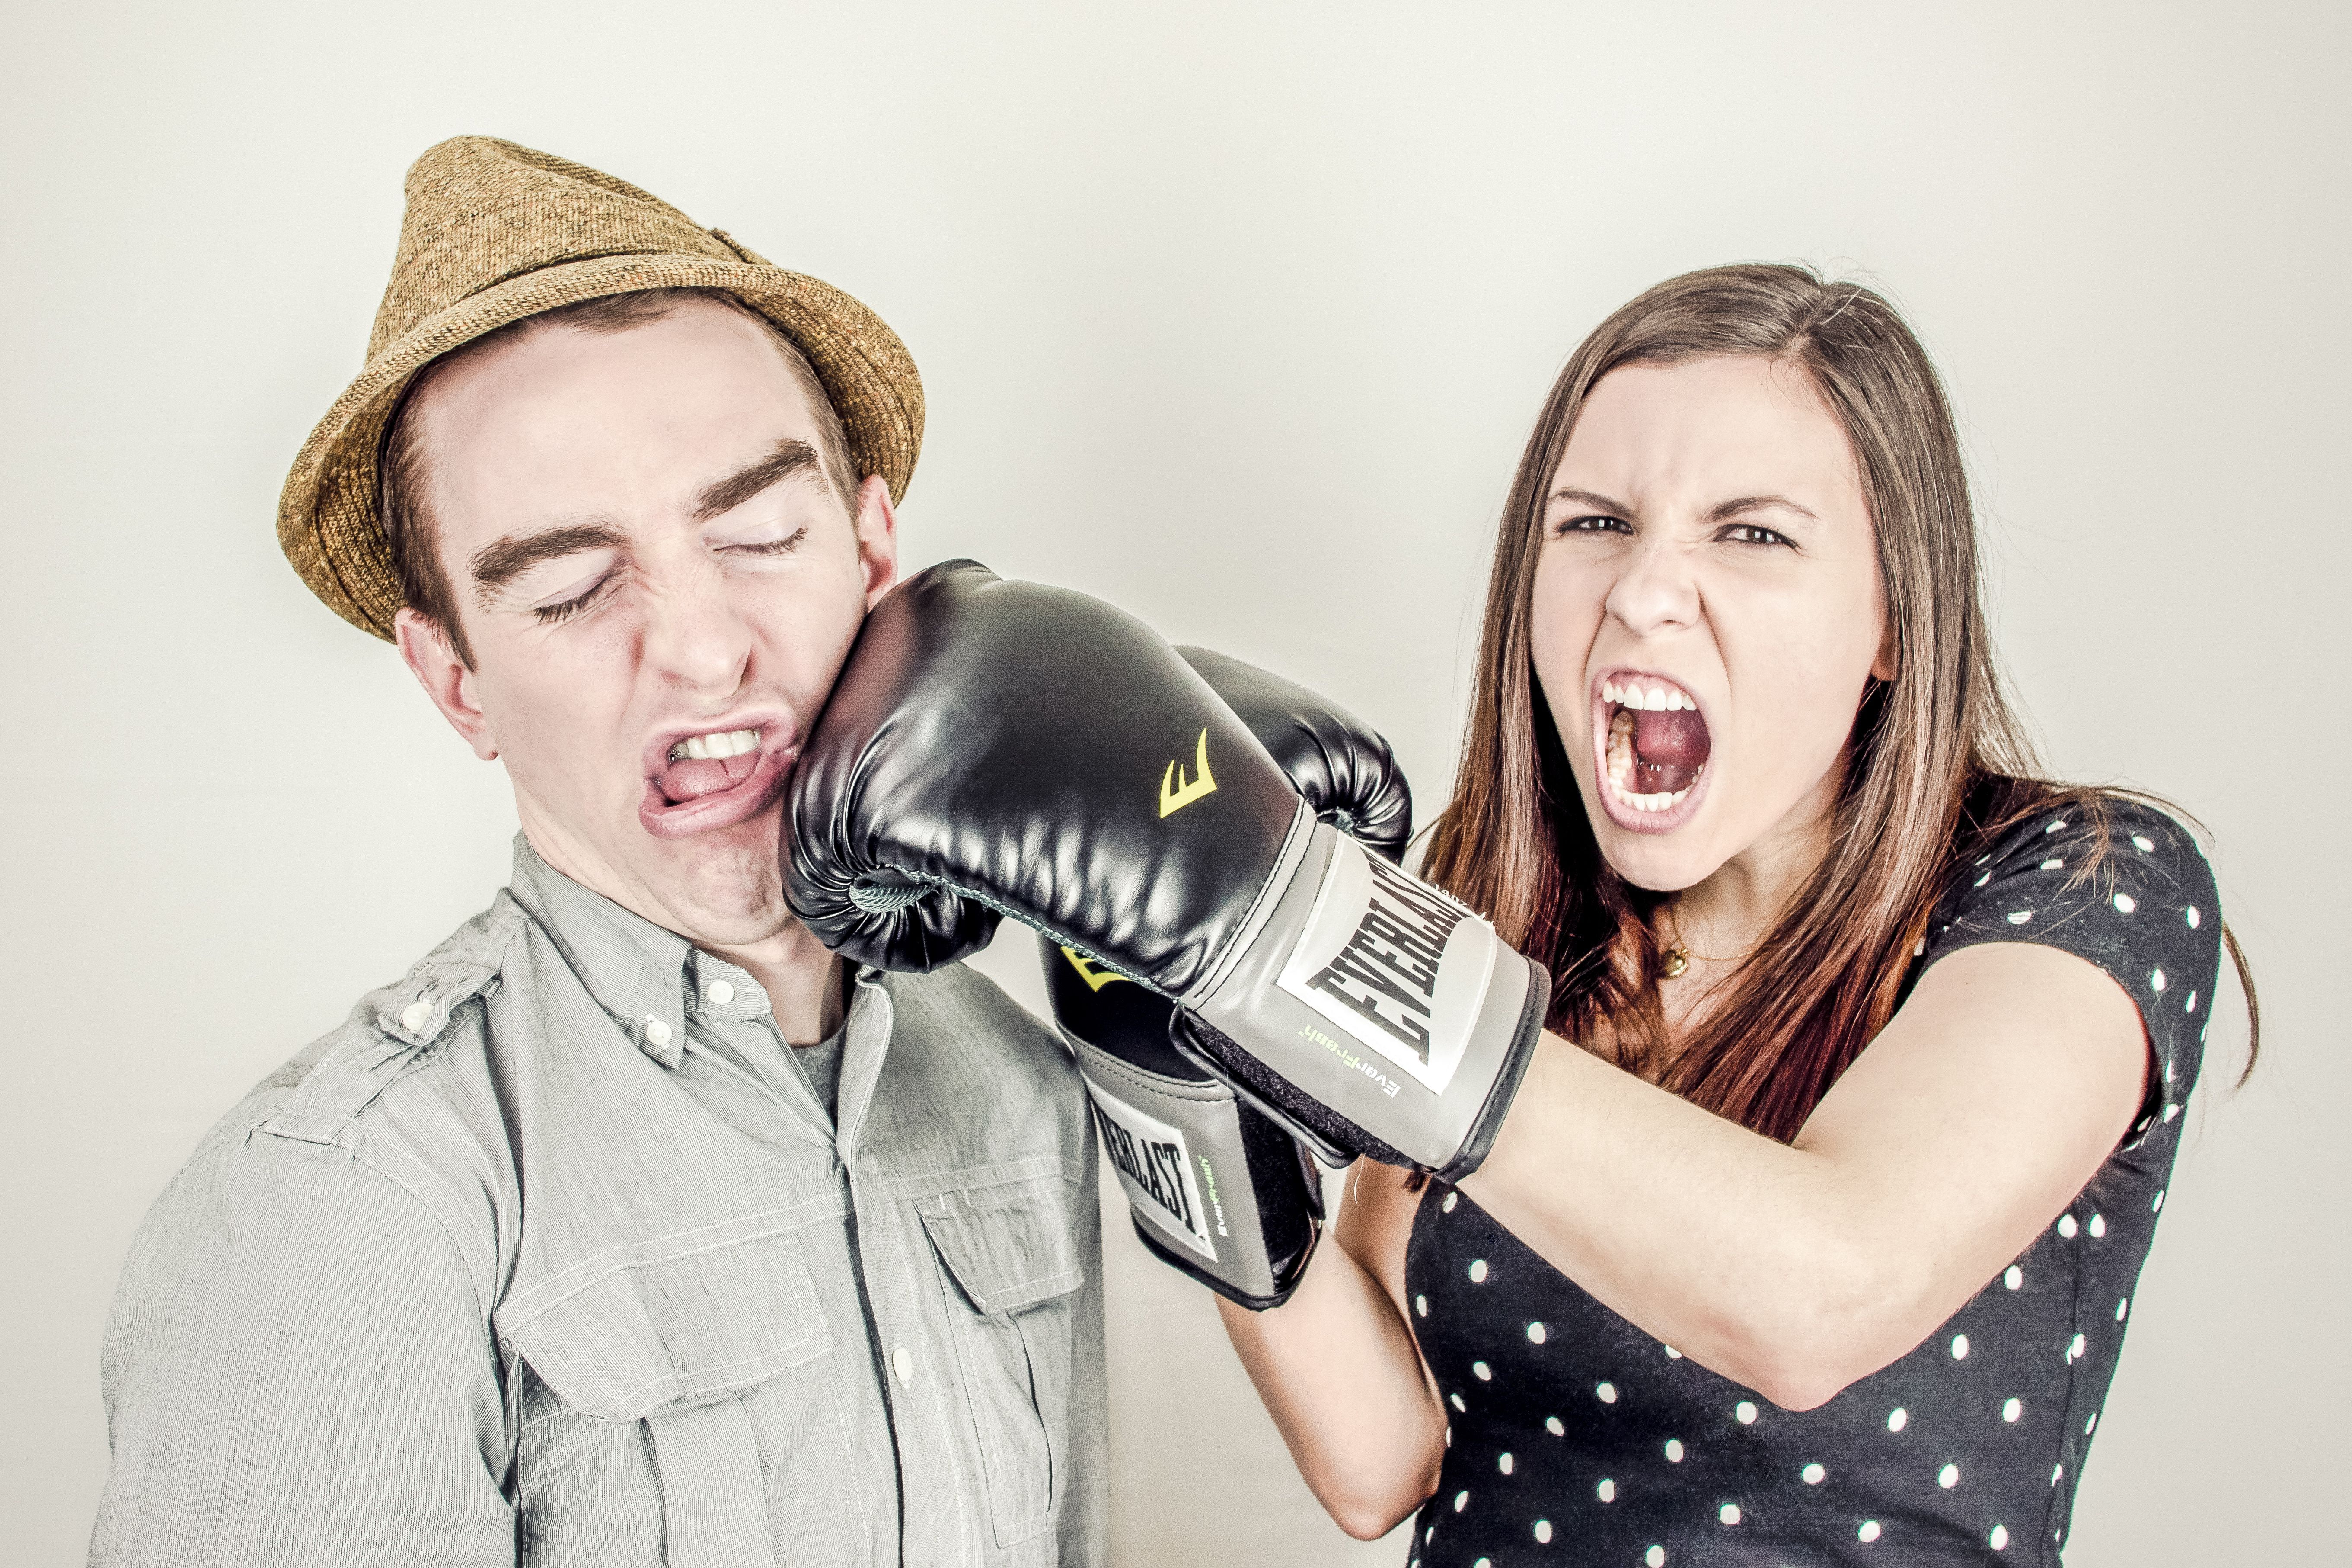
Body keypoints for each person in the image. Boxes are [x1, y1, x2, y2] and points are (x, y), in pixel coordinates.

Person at [779, 264, 2251, 1566]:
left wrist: (1292, 930)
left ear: (1891, 620)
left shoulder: (2079, 883)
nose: (1642, 593)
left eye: (1750, 535)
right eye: (1596, 521)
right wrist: (1154, 1041)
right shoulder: (1502, 921)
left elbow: (1821, 1292)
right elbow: (1381, 1461)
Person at [89, 137, 1105, 1567]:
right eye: (569, 590)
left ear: (874, 553)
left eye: (757, 533)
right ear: (456, 683)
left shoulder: (1017, 1084)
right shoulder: (342, 1209)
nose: (699, 647)